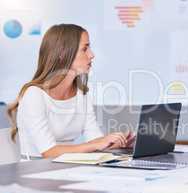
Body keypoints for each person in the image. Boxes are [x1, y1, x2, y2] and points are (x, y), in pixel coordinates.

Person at [7, 24, 135, 159]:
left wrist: (116, 143)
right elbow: (49, 152)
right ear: (62, 53)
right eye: (85, 49)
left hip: (66, 168)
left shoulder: (81, 94)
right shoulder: (34, 94)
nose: (91, 55)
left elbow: (95, 140)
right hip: (35, 173)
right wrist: (97, 144)